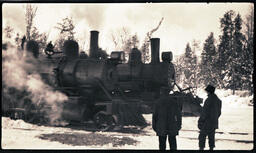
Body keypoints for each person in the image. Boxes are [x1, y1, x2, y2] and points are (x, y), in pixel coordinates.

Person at [198, 85, 222, 150]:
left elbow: (204, 113)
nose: (206, 92)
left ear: (209, 91)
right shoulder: (218, 100)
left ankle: (201, 149)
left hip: (206, 123)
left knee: (202, 137)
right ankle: (211, 149)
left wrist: (200, 121)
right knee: (211, 137)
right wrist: (214, 118)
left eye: (207, 91)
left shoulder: (208, 100)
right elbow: (219, 113)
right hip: (213, 123)